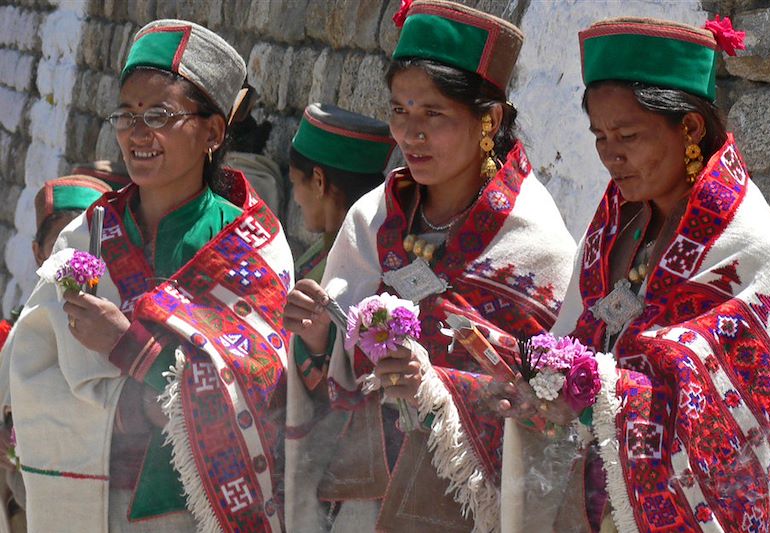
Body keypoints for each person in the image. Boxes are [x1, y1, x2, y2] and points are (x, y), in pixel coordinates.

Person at [499, 16, 770, 532]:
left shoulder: (753, 251)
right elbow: (574, 338)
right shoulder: (615, 226)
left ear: (689, 128)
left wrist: (603, 390)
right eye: (599, 137)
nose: (610, 155)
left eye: (628, 135)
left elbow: (750, 425)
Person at [283, 1, 575, 531]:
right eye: (399, 110)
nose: (409, 134)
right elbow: (326, 376)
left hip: (466, 509)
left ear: (489, 120)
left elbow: (551, 409)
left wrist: (439, 386)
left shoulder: (535, 245)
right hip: (366, 500)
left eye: (433, 114)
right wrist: (318, 335)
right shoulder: (372, 219)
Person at [4, 19, 294, 532]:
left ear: (213, 131)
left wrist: (130, 347)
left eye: (159, 114)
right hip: (95, 505)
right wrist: (121, 414)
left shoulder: (251, 246)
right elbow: (29, 369)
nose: (138, 132)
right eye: (127, 114)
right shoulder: (87, 235)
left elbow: (263, 383)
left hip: (200, 509)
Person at [0, 174, 112, 533]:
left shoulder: (116, 320)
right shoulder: (25, 334)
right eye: (60, 248)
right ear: (38, 254)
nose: (74, 261)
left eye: (85, 248)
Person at [289, 103, 395, 283]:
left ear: (318, 181)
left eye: (295, 183)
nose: (295, 198)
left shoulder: (350, 274)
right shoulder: (333, 248)